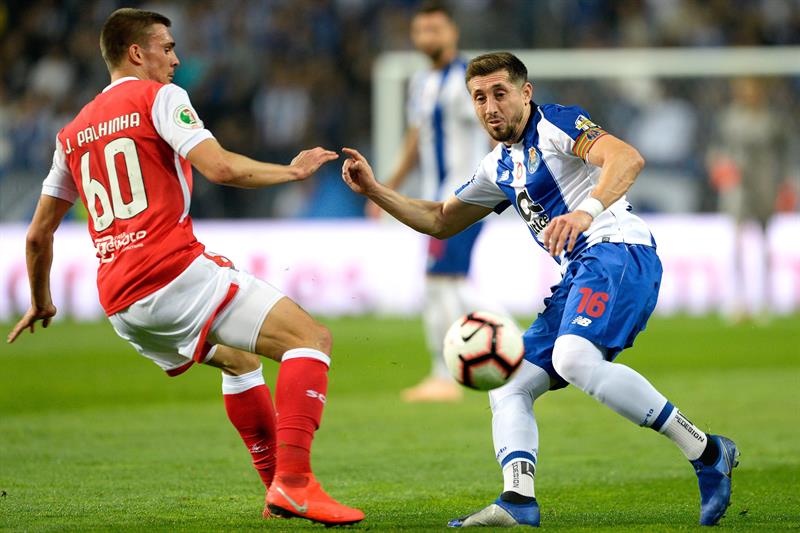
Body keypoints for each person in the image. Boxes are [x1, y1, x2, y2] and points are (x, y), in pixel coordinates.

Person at [341, 52, 738, 527]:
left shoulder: (557, 123)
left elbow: (627, 158)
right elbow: (441, 220)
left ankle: (706, 451)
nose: (490, 107)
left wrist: (586, 210)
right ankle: (518, 499)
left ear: (525, 94)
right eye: (479, 98)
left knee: (573, 358)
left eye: (500, 94)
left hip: (618, 252)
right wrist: (376, 190)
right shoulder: (496, 168)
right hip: (579, 273)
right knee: (509, 381)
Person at [6, 8, 363, 527]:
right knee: (311, 340)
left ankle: (276, 492)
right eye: (167, 48)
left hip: (122, 303)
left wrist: (40, 299)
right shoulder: (160, 97)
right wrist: (291, 170)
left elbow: (39, 234)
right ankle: (295, 484)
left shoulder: (71, 133)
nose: (175, 58)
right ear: (137, 53)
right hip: (170, 271)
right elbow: (220, 167)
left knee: (241, 362)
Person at [366, 2, 494, 403]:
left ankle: (450, 372)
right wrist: (384, 188)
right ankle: (497, 352)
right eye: (421, 31)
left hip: (466, 196)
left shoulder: (469, 80)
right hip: (438, 200)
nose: (428, 38)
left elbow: (495, 129)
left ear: (452, 32)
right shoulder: (421, 82)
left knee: (441, 281)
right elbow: (415, 141)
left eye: (435, 29)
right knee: (445, 282)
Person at [707, 77, 789, 323]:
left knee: (765, 241)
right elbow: (716, 149)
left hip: (765, 183)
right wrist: (718, 167)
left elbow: (785, 153)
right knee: (737, 240)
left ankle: (766, 299)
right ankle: (737, 300)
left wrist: (786, 184)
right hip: (737, 184)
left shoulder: (773, 121)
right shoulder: (729, 119)